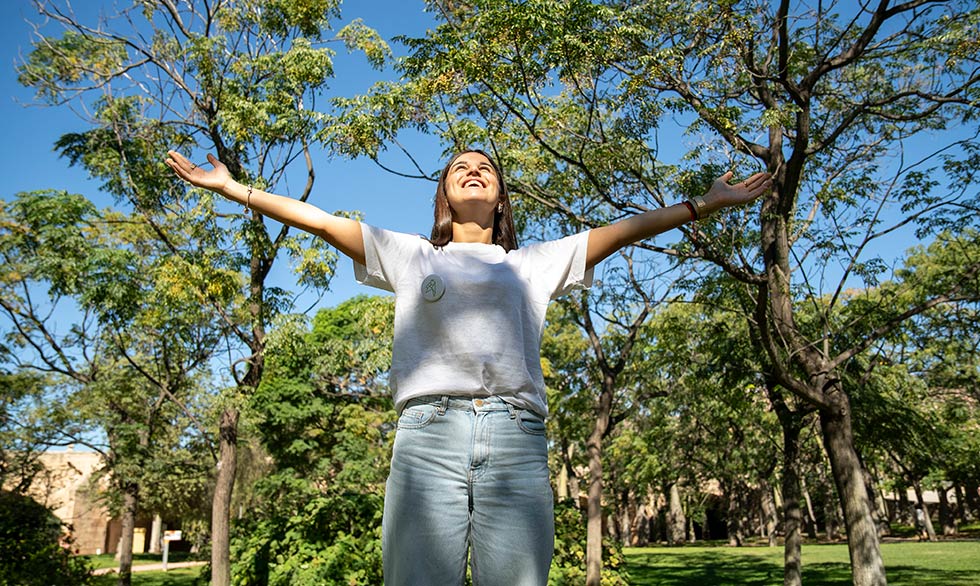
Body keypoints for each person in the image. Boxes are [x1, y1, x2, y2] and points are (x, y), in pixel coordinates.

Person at [166, 148, 770, 585]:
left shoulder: (532, 263)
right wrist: (231, 189)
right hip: (428, 436)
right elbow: (322, 220)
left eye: (485, 167)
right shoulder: (410, 255)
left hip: (515, 435)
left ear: (500, 196)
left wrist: (705, 204)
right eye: (459, 168)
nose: (472, 170)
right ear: (444, 196)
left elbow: (623, 230)